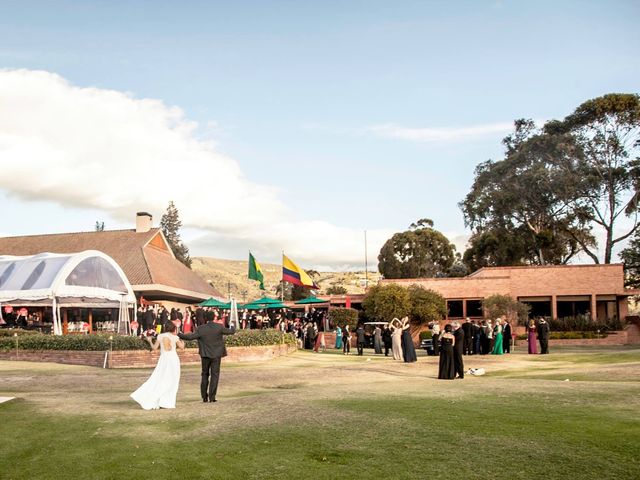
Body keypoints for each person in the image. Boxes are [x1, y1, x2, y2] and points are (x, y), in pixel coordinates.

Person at [178, 313, 236, 403]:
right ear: (214, 318)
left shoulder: (201, 328)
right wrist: (232, 324)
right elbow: (231, 331)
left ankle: (204, 397)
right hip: (216, 354)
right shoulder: (219, 327)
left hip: (205, 355)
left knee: (204, 375)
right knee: (215, 375)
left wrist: (179, 334)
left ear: (205, 318)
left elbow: (190, 337)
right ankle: (212, 397)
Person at [131, 322, 184, 410]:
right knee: (172, 380)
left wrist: (150, 341)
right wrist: (182, 340)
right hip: (173, 359)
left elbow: (155, 348)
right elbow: (182, 347)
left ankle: (159, 400)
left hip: (164, 359)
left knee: (159, 378)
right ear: (173, 329)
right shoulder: (175, 337)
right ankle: (167, 402)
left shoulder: (160, 336)